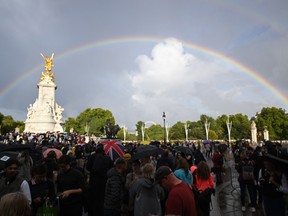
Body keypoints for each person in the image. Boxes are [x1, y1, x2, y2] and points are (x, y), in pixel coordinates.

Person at [86, 144, 113, 216]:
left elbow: (88, 167)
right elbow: (111, 168)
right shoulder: (108, 157)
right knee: (102, 198)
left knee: (94, 199)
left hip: (94, 181)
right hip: (104, 180)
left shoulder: (92, 156)